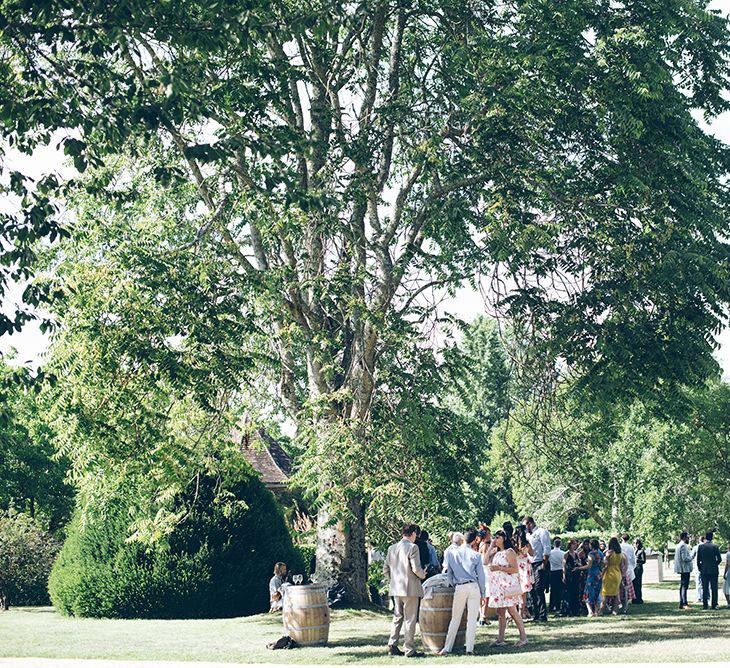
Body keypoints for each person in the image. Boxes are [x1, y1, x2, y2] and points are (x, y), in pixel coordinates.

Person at [439, 528, 486, 656]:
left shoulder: (452, 553)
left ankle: (447, 647)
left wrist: (453, 583)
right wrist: (483, 593)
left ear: (463, 538)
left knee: (455, 618)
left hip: (460, 586)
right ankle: (469, 648)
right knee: (471, 619)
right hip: (473, 586)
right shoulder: (476, 555)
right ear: (475, 539)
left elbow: (449, 573)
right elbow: (481, 577)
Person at [384, 523, 427, 657]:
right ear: (413, 533)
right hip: (410, 589)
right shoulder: (413, 547)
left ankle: (392, 644)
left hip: (396, 588)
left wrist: (393, 580)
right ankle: (409, 648)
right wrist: (423, 574)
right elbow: (416, 569)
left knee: (397, 617)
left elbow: (385, 569)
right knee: (410, 619)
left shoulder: (392, 548)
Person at [486, 529, 528, 648]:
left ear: (504, 538)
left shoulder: (509, 551)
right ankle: (500, 639)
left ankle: (523, 637)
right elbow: (484, 561)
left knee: (512, 611)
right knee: (500, 613)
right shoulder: (495, 552)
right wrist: (490, 548)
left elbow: (515, 569)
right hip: (498, 586)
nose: (495, 539)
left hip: (507, 586)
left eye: (497, 537)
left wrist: (499, 568)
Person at [522, 516, 550, 622]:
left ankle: (543, 614)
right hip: (530, 563)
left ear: (530, 523)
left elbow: (546, 549)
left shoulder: (541, 532)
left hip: (539, 562)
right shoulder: (527, 535)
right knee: (532, 589)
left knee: (539, 588)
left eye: (526, 525)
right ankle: (536, 613)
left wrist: (544, 563)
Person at [576, 538, 604, 617]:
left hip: (592, 574)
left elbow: (589, 565)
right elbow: (603, 563)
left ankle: (590, 612)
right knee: (597, 592)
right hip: (599, 573)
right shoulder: (600, 553)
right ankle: (596, 611)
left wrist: (578, 568)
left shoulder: (591, 553)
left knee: (588, 592)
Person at [697, 530, 722, 610]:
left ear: (705, 537)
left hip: (704, 569)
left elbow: (698, 560)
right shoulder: (715, 547)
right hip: (714, 570)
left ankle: (705, 605)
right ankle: (714, 604)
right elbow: (719, 559)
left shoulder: (701, 547)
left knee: (705, 588)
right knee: (714, 588)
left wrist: (700, 568)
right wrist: (715, 564)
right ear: (712, 538)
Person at [514, 524, 534, 620]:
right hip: (524, 567)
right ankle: (521, 613)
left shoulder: (513, 544)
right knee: (524, 593)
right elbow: (532, 553)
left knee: (514, 591)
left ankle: (513, 613)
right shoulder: (526, 543)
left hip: (516, 566)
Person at [600, 537, 623, 616]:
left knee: (605, 593)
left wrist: (602, 572)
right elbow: (621, 565)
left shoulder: (609, 552)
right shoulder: (620, 553)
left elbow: (605, 564)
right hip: (617, 573)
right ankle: (615, 611)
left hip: (609, 573)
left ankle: (601, 610)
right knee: (616, 593)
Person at [478, 525, 492, 625]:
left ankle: (481, 615)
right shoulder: (486, 545)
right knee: (486, 594)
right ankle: (483, 615)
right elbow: (485, 560)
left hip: (481, 571)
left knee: (482, 594)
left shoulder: (479, 545)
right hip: (486, 570)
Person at [561, 539, 580, 616]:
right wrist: (564, 576)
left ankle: (575, 609)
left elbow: (578, 562)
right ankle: (568, 609)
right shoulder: (566, 554)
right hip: (569, 574)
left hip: (575, 573)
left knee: (575, 592)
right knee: (568, 592)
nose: (575, 545)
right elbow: (564, 566)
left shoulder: (576, 554)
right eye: (574, 544)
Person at [674, 531, 693, 609]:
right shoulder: (683, 546)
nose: (688, 538)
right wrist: (692, 557)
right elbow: (684, 558)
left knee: (682, 586)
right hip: (684, 568)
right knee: (685, 586)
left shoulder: (679, 545)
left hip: (682, 568)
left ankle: (682, 603)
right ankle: (684, 603)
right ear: (684, 537)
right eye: (687, 537)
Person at [620, 534, 636, 613]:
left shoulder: (620, 546)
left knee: (621, 589)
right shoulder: (631, 547)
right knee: (627, 588)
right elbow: (633, 559)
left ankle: (622, 604)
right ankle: (625, 606)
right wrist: (633, 567)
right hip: (629, 568)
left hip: (620, 568)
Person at [548, 537, 565, 613]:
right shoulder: (563, 553)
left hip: (553, 571)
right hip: (560, 571)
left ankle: (552, 605)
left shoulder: (550, 553)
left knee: (553, 589)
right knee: (559, 589)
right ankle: (557, 605)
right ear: (560, 544)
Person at [691, 537, 705, 603]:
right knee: (706, 583)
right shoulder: (706, 547)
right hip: (705, 568)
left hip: (697, 567)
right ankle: (707, 596)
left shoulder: (695, 547)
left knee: (698, 583)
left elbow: (691, 556)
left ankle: (699, 597)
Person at [633, 538, 646, 604]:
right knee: (634, 583)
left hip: (639, 568)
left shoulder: (641, 551)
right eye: (634, 543)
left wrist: (637, 559)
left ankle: (639, 598)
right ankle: (634, 598)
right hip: (634, 568)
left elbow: (643, 561)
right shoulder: (633, 551)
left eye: (636, 543)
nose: (635, 544)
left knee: (638, 583)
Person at [723, 541, 730, 607]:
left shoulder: (728, 553)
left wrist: (724, 573)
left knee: (726, 587)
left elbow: (727, 564)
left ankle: (729, 602)